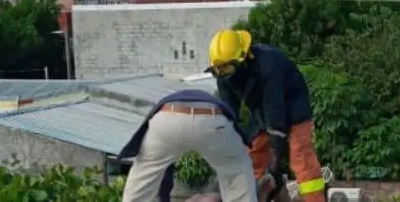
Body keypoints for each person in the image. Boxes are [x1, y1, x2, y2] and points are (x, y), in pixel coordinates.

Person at [207, 29, 326, 202]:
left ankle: (314, 199)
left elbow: (274, 108)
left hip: (293, 107)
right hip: (261, 111)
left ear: (245, 57)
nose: (224, 74)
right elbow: (229, 116)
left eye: (228, 67)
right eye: (218, 70)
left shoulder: (269, 64)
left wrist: (277, 154)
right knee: (251, 158)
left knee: (301, 158)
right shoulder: (224, 75)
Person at [118, 88, 259, 202]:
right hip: (213, 119)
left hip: (168, 119)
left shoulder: (163, 104)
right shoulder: (221, 103)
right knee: (236, 169)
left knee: (146, 171)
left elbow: (163, 177)